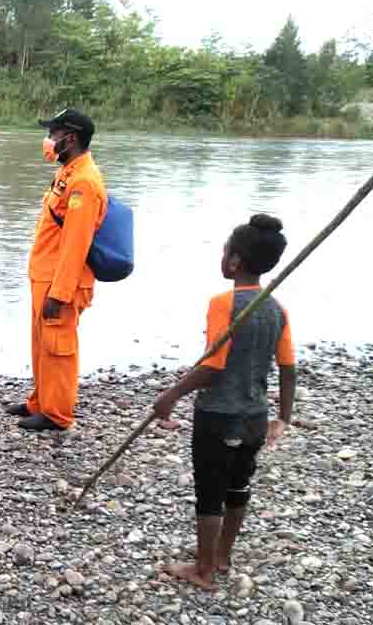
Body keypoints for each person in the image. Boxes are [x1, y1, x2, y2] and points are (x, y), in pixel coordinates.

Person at [152, 214, 295, 591]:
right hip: (254, 417)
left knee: (211, 492)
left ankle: (203, 569)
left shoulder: (224, 303)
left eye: (224, 251)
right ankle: (222, 555)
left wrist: (170, 396)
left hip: (219, 415)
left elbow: (213, 367)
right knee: (238, 486)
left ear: (234, 262)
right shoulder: (276, 308)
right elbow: (288, 366)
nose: (222, 256)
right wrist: (283, 417)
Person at [6, 108, 107, 432]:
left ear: (70, 138)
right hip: (45, 275)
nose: (49, 140)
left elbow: (76, 244)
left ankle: (58, 414)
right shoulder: (68, 173)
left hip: (61, 283)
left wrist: (60, 292)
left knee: (58, 347)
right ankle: (40, 402)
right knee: (41, 343)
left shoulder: (84, 183)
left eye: (54, 134)